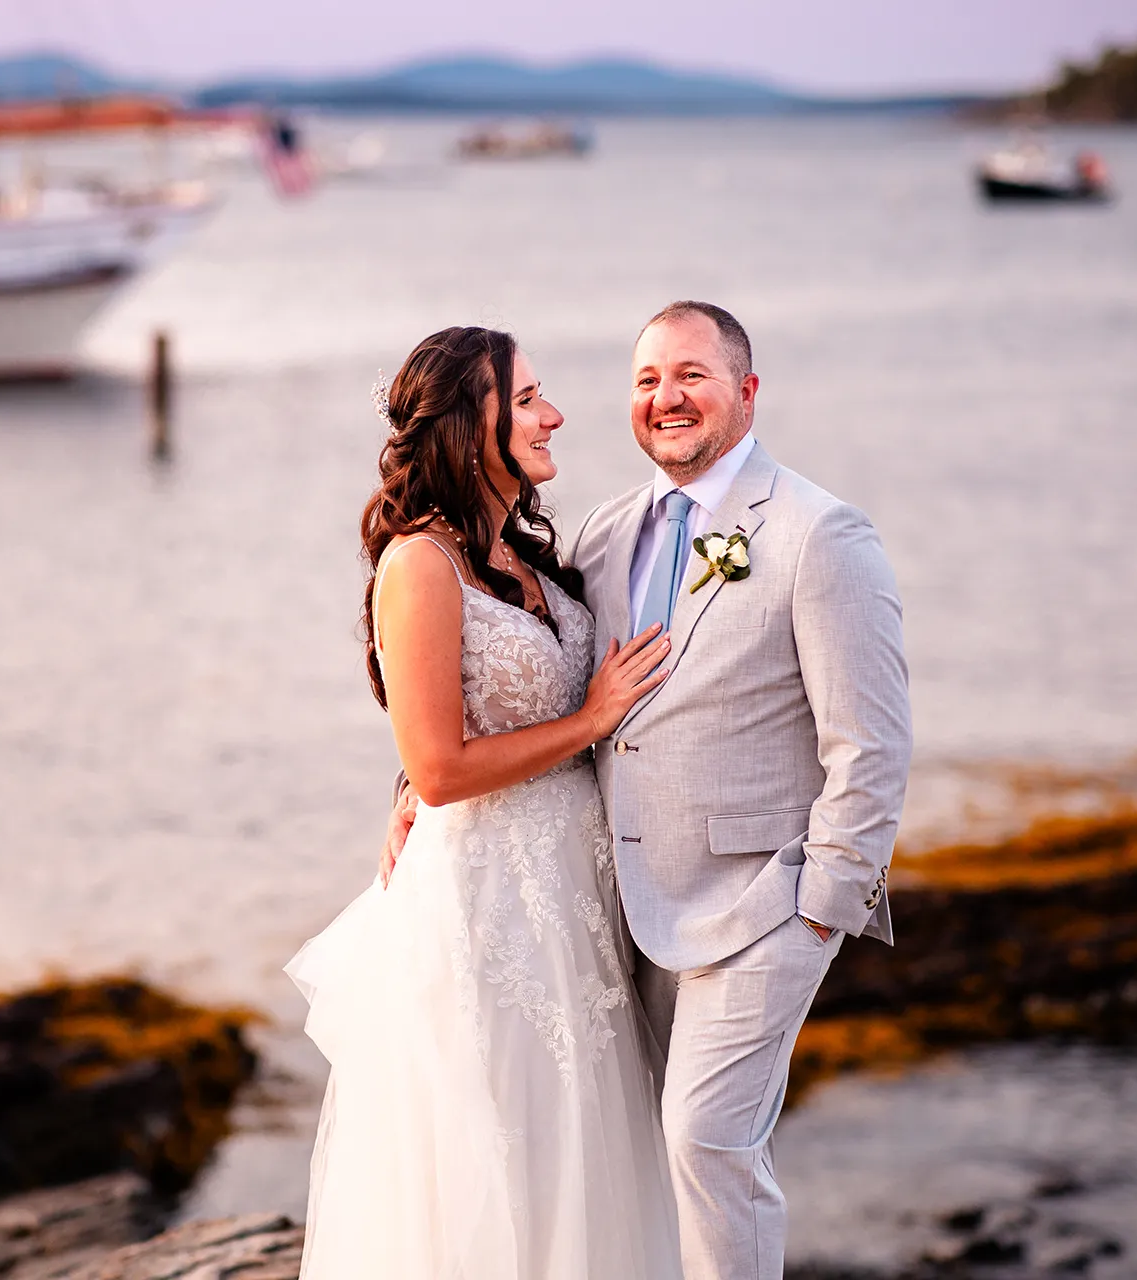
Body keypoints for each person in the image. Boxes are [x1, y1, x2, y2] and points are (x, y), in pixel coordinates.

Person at [379, 302, 912, 1279]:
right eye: (645, 380)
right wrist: (414, 779)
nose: (665, 397)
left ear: (746, 392)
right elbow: (503, 676)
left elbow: (871, 747)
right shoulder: (600, 535)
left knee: (707, 1137)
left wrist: (824, 911)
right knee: (627, 1157)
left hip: (763, 902)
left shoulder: (818, 534)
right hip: (616, 913)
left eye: (692, 376)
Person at [288, 326, 686, 1279]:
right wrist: (592, 720)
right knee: (499, 1159)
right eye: (529, 398)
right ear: (474, 425)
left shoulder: (525, 554)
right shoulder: (419, 565)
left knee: (586, 1149)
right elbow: (438, 768)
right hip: (487, 909)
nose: (554, 415)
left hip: (573, 900)